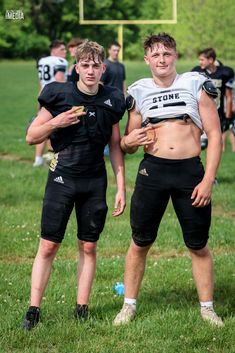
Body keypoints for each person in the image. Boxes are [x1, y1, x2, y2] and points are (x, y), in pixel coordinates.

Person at [113, 33, 223, 327]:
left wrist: (208, 178)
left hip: (190, 173)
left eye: (167, 54)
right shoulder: (139, 91)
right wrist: (129, 141)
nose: (162, 60)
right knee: (140, 242)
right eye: (156, 55)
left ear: (175, 56)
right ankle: (129, 305)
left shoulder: (195, 84)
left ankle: (208, 308)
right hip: (153, 172)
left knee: (198, 244)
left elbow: (214, 135)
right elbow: (127, 143)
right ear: (147, 59)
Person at [22, 40, 126, 330]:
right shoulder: (59, 94)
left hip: (95, 179)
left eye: (96, 65)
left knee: (89, 246)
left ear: (103, 68)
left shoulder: (113, 98)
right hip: (62, 177)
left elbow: (115, 145)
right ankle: (33, 309)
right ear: (76, 67)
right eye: (85, 65)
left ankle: (82, 308)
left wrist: (121, 186)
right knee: (48, 245)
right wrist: (58, 122)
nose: (91, 70)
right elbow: (32, 136)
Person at [33, 39, 68, 167]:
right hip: (55, 99)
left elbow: (41, 82)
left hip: (43, 96)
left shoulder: (43, 61)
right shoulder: (60, 61)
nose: (65, 52)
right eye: (62, 49)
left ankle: (38, 160)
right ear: (53, 50)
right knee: (53, 131)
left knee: (40, 128)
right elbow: (59, 81)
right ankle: (51, 163)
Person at [192, 48, 234, 152]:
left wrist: (228, 118)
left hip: (218, 111)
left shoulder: (225, 72)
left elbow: (228, 96)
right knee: (200, 145)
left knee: (215, 144)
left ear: (210, 60)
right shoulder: (197, 72)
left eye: (202, 59)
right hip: (201, 113)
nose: (199, 62)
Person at [100, 41, 126, 156]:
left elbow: (123, 82)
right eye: (114, 50)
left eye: (118, 50)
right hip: (107, 99)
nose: (116, 52)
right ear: (109, 50)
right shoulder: (105, 65)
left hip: (118, 100)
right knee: (105, 124)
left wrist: (124, 96)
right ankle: (105, 149)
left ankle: (115, 147)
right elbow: (100, 83)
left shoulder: (121, 66)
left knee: (115, 125)